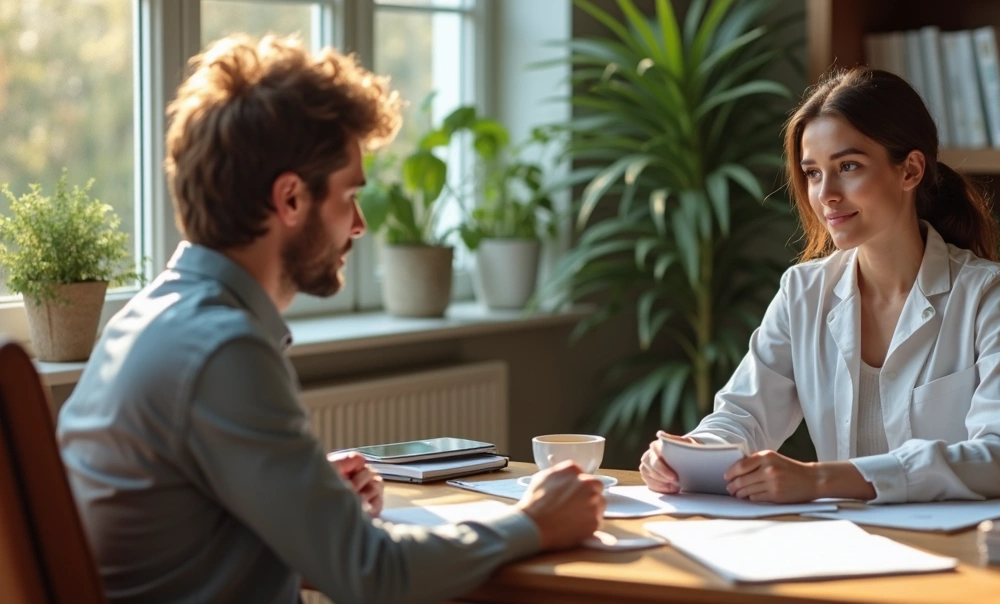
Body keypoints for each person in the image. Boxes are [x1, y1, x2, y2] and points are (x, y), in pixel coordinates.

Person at [57, 34, 605, 604]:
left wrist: (302, 493)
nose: (360, 225)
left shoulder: (146, 319)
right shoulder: (224, 349)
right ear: (291, 199)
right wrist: (534, 521)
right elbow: (374, 575)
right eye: (350, 196)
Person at [640, 67, 1000, 505]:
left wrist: (821, 480)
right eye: (813, 173)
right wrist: (690, 453)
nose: (826, 194)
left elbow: (999, 459)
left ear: (910, 170)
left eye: (848, 166)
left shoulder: (989, 295)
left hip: (952, 546)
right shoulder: (803, 291)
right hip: (840, 541)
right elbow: (742, 415)